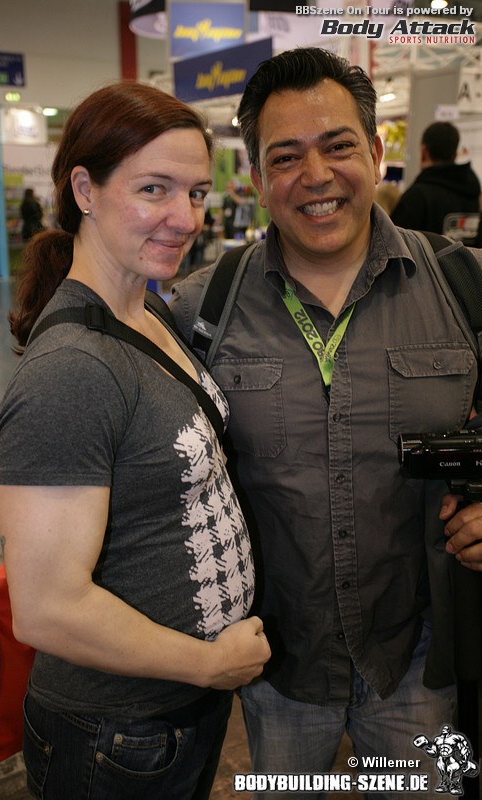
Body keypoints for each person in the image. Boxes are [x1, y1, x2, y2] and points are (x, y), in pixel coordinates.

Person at [170, 48, 482, 799]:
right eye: (285, 156)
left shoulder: (462, 285)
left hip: (419, 658)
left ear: (375, 152)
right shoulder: (199, 310)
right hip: (278, 665)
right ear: (256, 177)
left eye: (337, 145)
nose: (315, 175)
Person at [0, 81, 270, 800]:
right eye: (154, 189)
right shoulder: (72, 370)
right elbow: (46, 607)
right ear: (84, 189)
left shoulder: (149, 314)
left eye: (197, 193)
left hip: (172, 714)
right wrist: (208, 664)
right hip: (114, 732)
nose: (185, 218)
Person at [391, 121, 481, 234]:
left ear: (424, 152)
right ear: (455, 156)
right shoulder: (473, 194)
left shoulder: (417, 197)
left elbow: (391, 239)